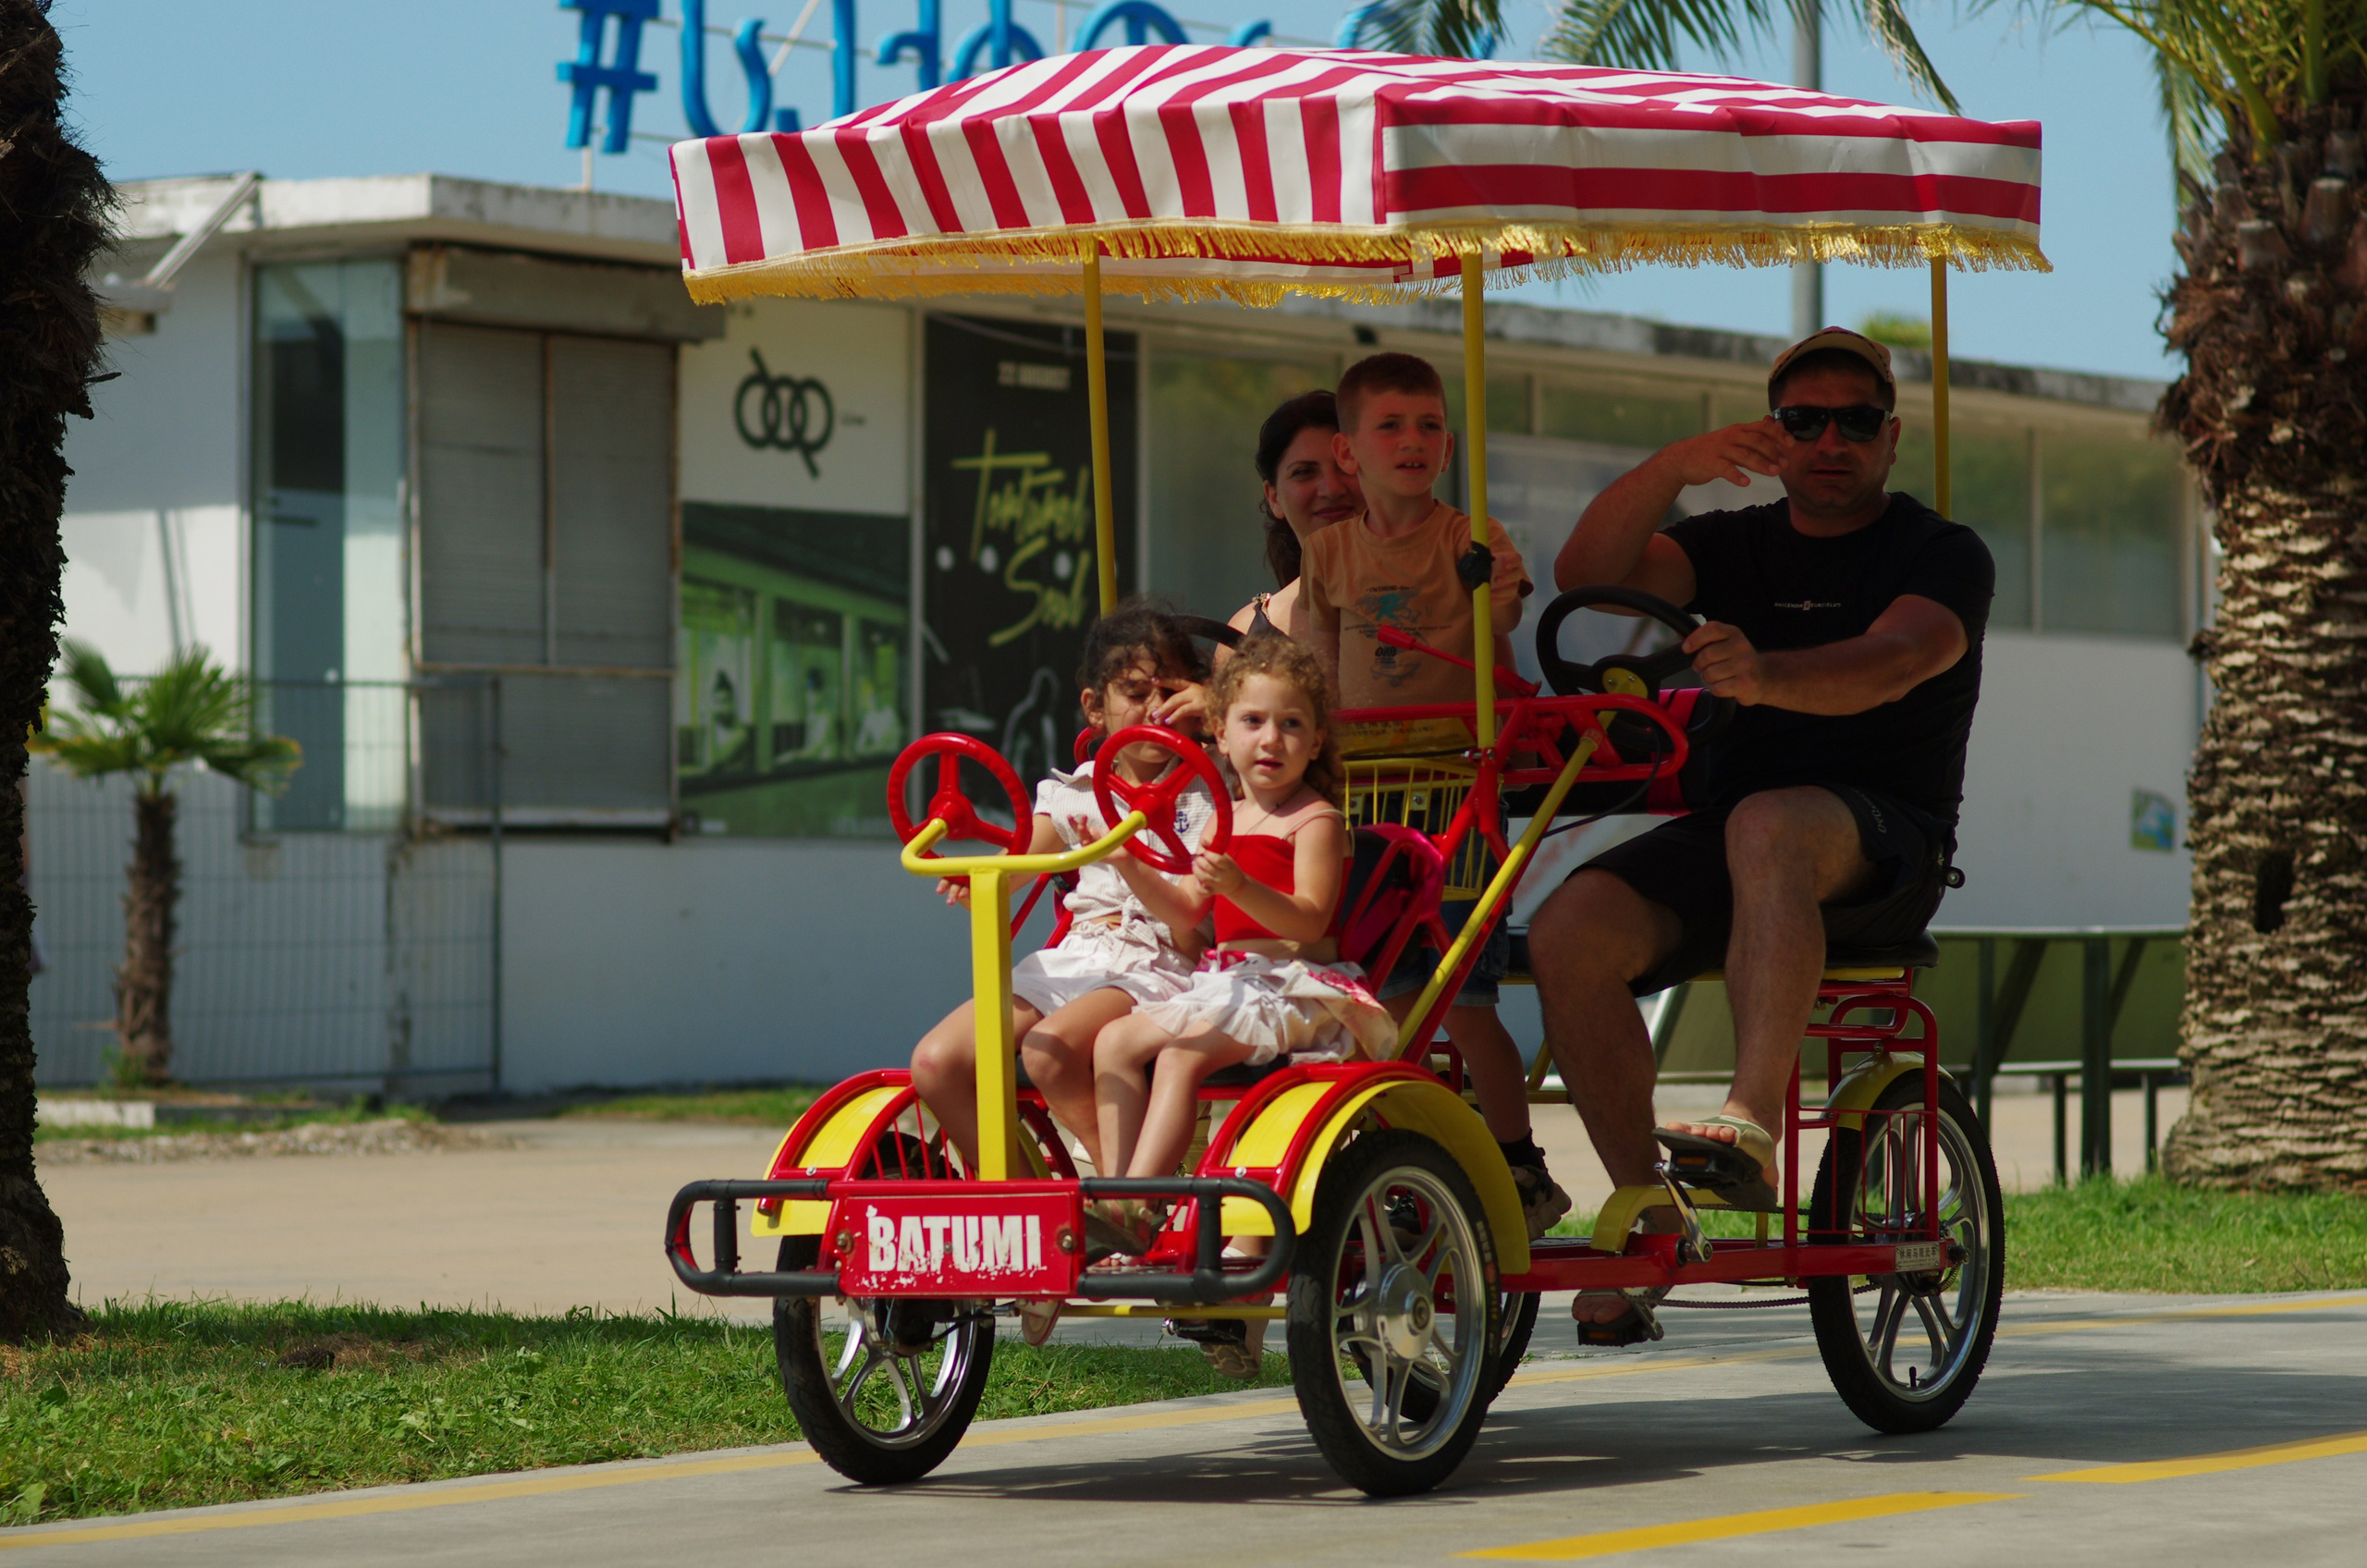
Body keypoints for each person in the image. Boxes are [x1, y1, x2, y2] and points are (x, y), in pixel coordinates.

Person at [1530, 327, 1993, 1343]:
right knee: (1566, 928)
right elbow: (1585, 569)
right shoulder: (1728, 540)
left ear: (1892, 436)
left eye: (1855, 421)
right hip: (1735, 834)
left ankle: (1747, 1118)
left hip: (1887, 840)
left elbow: (1899, 658)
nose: (1830, 439)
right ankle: (1645, 1209)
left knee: (1768, 820)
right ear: (1773, 433)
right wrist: (1671, 469)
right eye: (1803, 420)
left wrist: (1767, 674)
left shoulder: (1940, 552)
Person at [1297, 350, 1570, 1240]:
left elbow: (1501, 627)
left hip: (1455, 784)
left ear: (1449, 444)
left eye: (1428, 426)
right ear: (1349, 453)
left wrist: (1492, 594)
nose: (1412, 441)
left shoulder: (1471, 538)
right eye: (1390, 426)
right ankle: (1378, 1150)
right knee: (1371, 985)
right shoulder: (1329, 548)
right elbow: (1313, 671)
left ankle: (1518, 1159)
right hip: (1364, 792)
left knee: (1462, 991)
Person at [907, 603, 1219, 1263]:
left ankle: (1127, 1201)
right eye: (1135, 694)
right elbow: (1022, 858)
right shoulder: (1073, 793)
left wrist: (1216, 714)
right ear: (1094, 706)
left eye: (1169, 694)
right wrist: (978, 874)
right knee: (936, 1064)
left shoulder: (1207, 792)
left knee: (1049, 1050)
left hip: (1156, 960)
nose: (1152, 709)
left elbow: (1198, 923)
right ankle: (1029, 1220)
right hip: (1080, 958)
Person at [1090, 636, 1393, 1236]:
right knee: (1115, 1043)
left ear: (1316, 742)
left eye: (1290, 724)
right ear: (1222, 736)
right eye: (1253, 721)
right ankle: (1118, 1183)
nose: (1271, 739)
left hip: (1298, 988)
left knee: (1179, 1056)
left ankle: (1139, 1204)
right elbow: (1182, 910)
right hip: (1229, 984)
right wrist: (1128, 864)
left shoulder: (1316, 820)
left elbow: (1309, 918)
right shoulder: (1224, 818)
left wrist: (1238, 887)